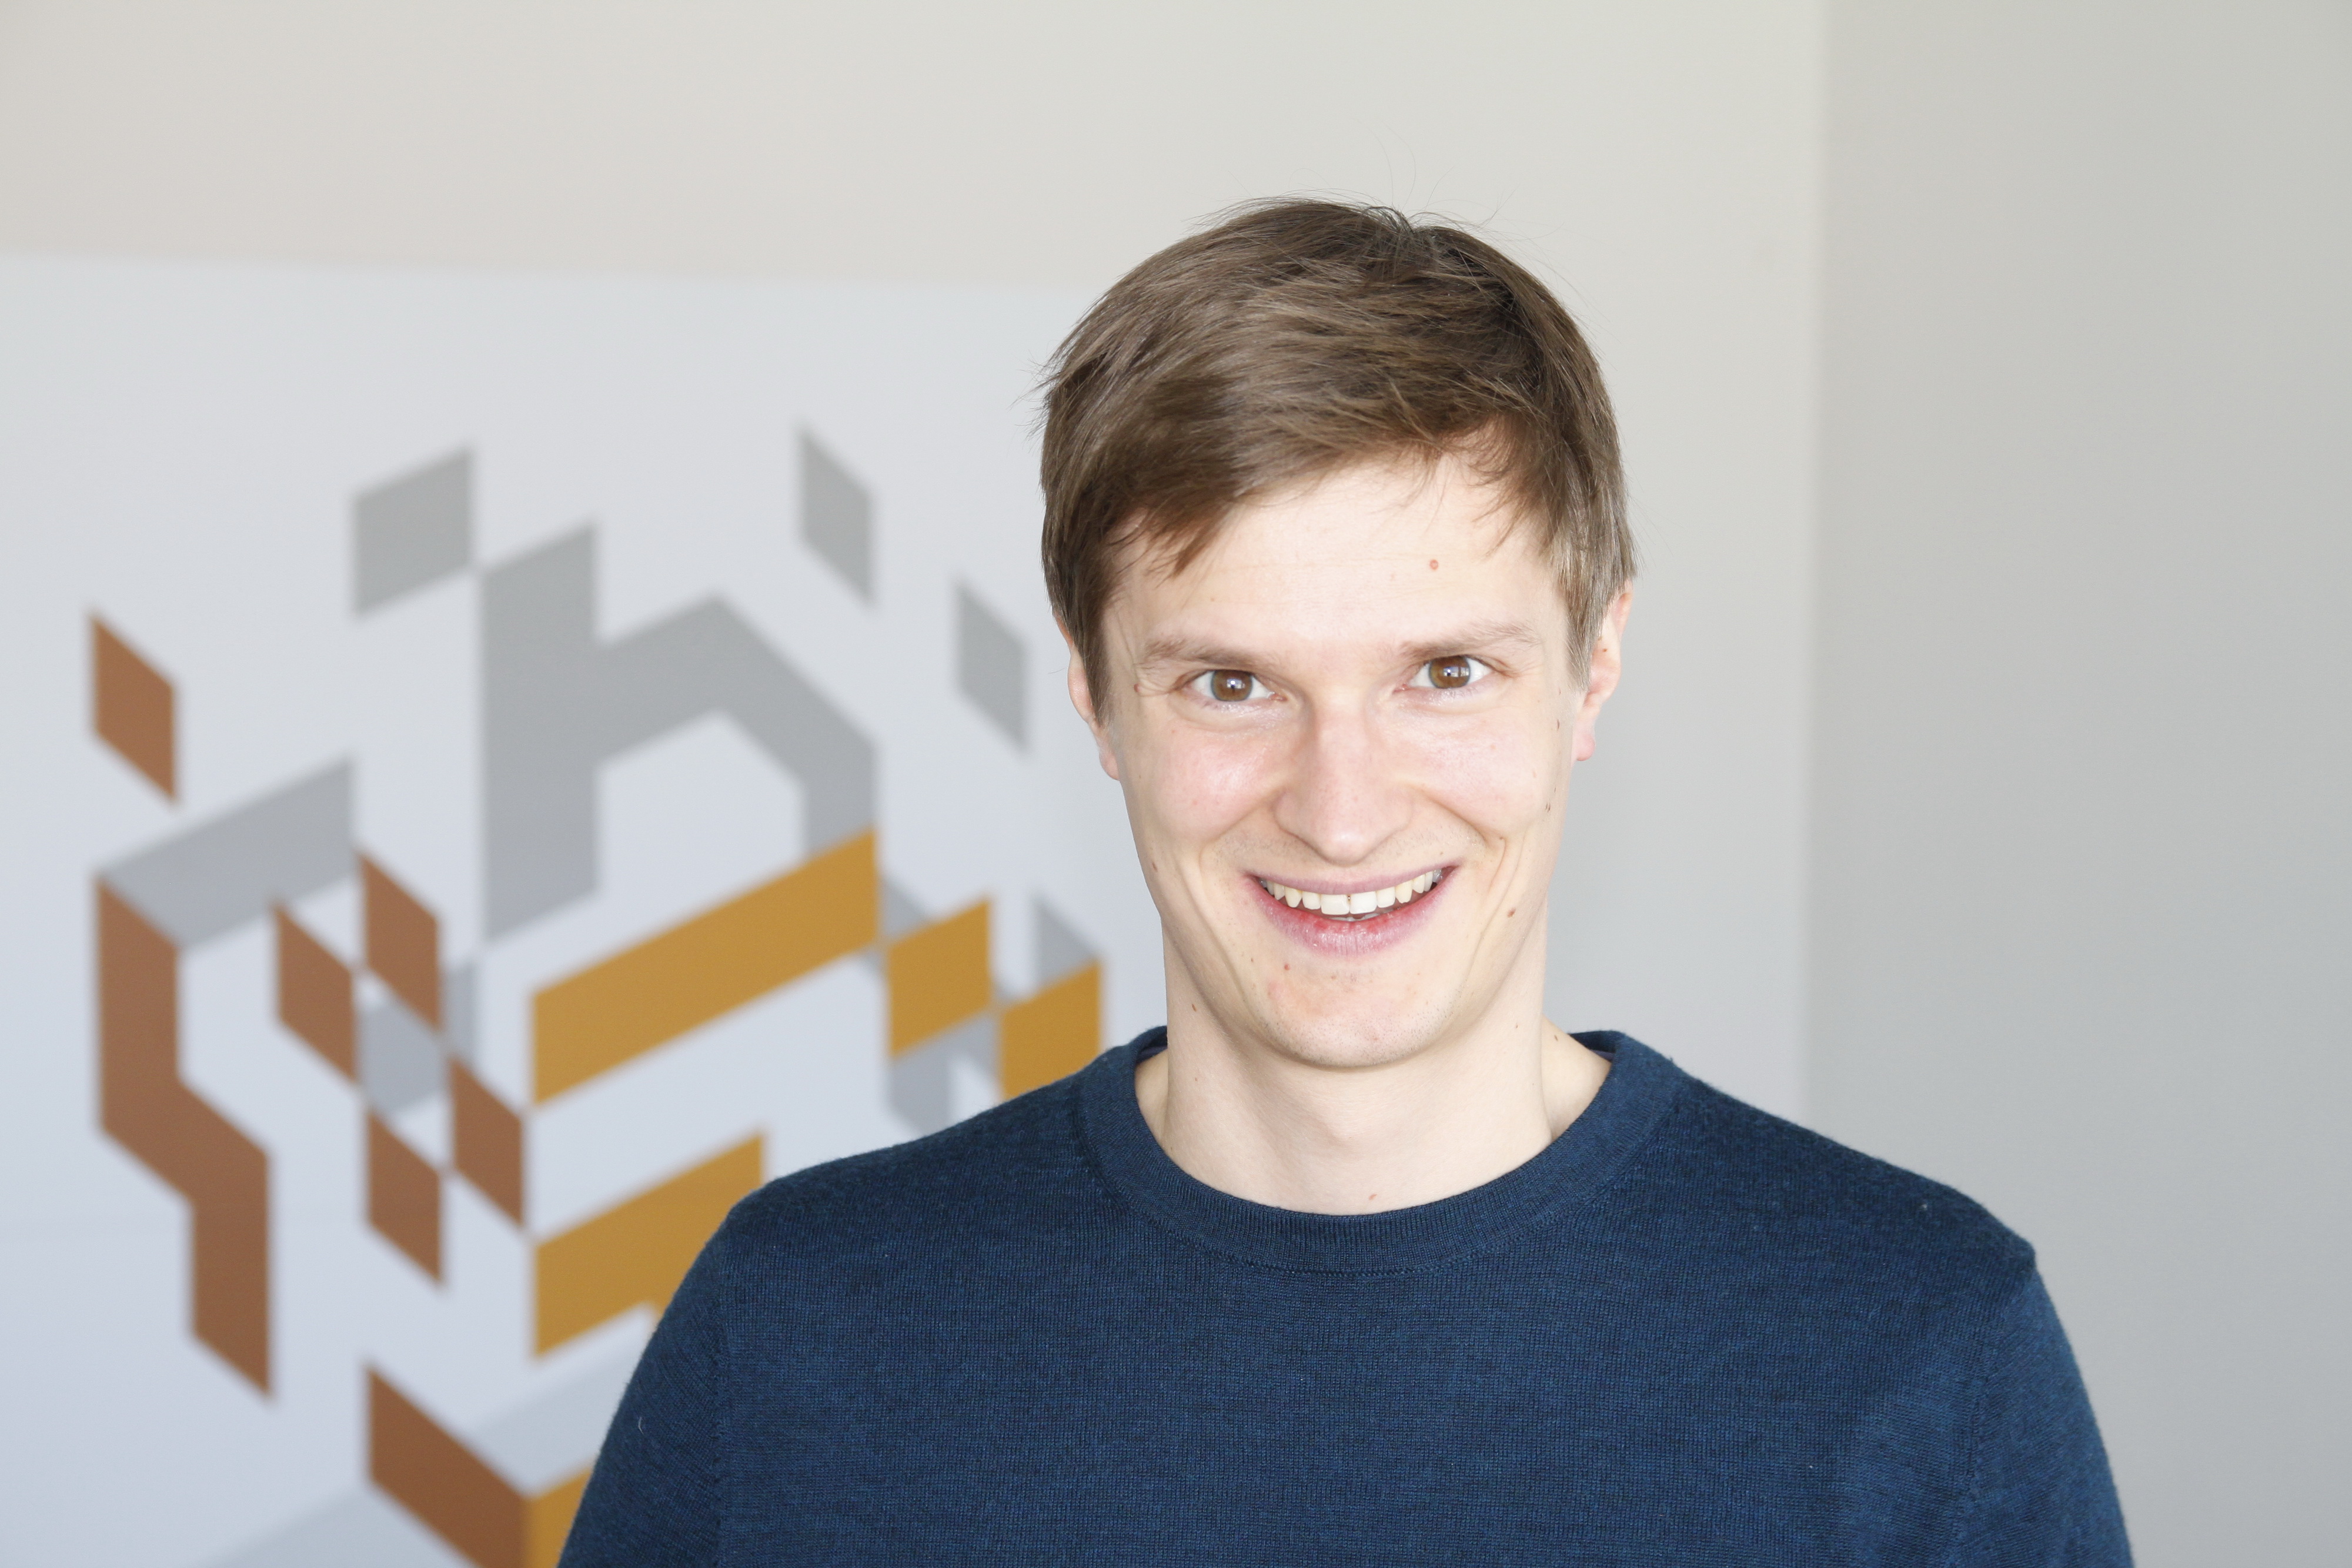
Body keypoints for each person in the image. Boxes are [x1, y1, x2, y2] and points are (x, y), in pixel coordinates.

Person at [560, 200, 2130, 1565]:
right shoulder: (802, 1329)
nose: (1342, 809)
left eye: (1444, 673)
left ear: (1594, 666)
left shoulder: (1913, 1342)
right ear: (1096, 701)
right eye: (1232, 684)